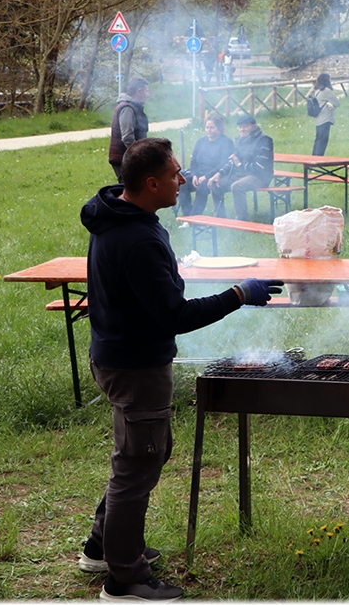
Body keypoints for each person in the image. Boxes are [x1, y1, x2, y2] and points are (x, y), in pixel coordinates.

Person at [78, 138, 282, 601]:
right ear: (151, 184)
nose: (183, 180)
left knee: (140, 454)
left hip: (116, 354)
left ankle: (103, 546)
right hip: (135, 364)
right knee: (137, 465)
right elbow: (175, 315)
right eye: (174, 174)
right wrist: (238, 294)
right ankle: (124, 578)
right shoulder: (137, 238)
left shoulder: (117, 216)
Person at [207, 114, 274, 220]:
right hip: (240, 175)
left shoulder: (264, 140)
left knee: (237, 186)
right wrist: (219, 173)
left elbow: (260, 167)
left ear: (254, 126)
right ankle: (219, 217)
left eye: (245, 126)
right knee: (216, 183)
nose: (242, 129)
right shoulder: (240, 140)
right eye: (240, 127)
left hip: (259, 177)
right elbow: (232, 161)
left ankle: (241, 219)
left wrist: (240, 165)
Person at [180, 115, 234, 216]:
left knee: (202, 189)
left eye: (212, 127)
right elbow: (193, 161)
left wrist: (205, 177)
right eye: (207, 127)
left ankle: (194, 218)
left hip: (215, 175)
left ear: (219, 128)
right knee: (183, 185)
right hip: (198, 175)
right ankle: (187, 216)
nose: (209, 130)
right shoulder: (201, 141)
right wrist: (194, 175)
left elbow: (223, 163)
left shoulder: (226, 142)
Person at [108, 78, 150, 181]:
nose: (148, 95)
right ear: (139, 91)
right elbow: (127, 137)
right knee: (129, 188)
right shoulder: (127, 108)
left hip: (129, 158)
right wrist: (139, 155)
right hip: (124, 159)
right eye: (146, 91)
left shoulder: (133, 107)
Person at [310, 73, 340, 156]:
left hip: (318, 119)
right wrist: (335, 101)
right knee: (323, 140)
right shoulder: (326, 91)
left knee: (318, 139)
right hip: (325, 119)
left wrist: (330, 103)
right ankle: (319, 159)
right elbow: (337, 103)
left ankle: (314, 158)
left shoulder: (317, 90)